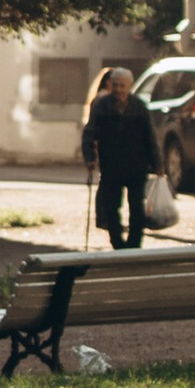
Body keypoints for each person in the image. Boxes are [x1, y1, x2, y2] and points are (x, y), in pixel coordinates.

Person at [80, 65, 162, 252]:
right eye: (115, 85)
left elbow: (150, 136)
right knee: (112, 206)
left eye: (122, 86)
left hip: (137, 164)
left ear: (129, 86)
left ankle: (134, 243)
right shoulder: (102, 106)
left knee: (137, 207)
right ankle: (117, 242)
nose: (118, 90)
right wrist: (90, 157)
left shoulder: (139, 106)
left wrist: (157, 163)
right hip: (111, 164)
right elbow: (89, 132)